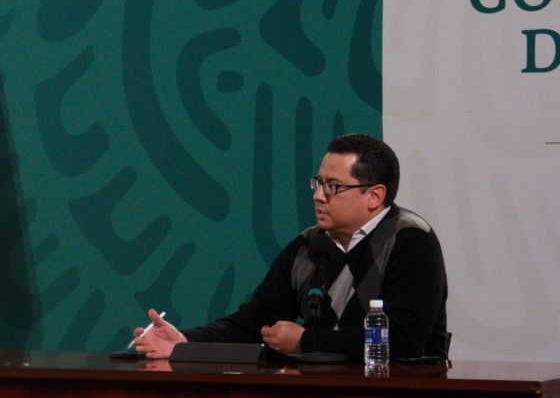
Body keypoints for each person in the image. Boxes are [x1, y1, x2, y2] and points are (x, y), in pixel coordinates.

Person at [134, 134, 448, 360]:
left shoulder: (410, 240)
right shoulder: (308, 245)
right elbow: (254, 322)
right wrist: (185, 341)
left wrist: (306, 342)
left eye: (333, 187)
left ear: (375, 196)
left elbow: (404, 340)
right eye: (318, 183)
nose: (318, 196)